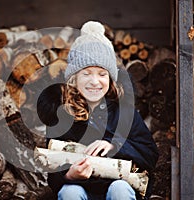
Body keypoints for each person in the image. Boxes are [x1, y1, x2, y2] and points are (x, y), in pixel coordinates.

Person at [37, 21, 159, 200]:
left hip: (121, 184)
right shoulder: (62, 115)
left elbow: (149, 154)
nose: (95, 81)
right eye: (86, 73)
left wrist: (115, 145)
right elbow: (53, 172)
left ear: (111, 79)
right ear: (73, 79)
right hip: (82, 188)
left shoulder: (124, 112)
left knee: (119, 189)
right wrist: (69, 176)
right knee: (69, 191)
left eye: (102, 74)